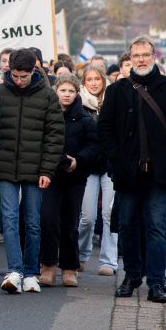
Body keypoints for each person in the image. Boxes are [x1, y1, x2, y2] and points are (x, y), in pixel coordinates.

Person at [97, 36, 166, 304]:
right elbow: (104, 127)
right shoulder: (117, 90)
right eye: (136, 55)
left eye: (145, 55)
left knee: (155, 227)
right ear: (130, 58)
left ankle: (156, 281)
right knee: (127, 226)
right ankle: (131, 276)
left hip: (159, 173)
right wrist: (115, 157)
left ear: (154, 57)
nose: (141, 59)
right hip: (127, 171)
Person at [0, 48, 64, 294]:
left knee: (32, 222)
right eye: (14, 76)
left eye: (23, 77)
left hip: (35, 168)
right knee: (9, 220)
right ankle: (14, 271)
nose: (18, 81)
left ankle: (30, 273)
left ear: (32, 71)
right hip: (5, 166)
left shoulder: (48, 95)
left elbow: (54, 136)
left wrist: (47, 170)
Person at [38, 73, 101, 287]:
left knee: (70, 222)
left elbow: (94, 147)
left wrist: (78, 160)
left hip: (75, 177)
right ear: (55, 91)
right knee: (48, 219)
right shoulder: (46, 115)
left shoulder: (85, 119)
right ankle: (47, 265)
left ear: (77, 93)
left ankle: (69, 269)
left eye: (71, 91)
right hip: (49, 175)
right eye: (63, 90)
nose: (67, 94)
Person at [77, 64, 117, 276]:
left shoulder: (113, 101)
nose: (93, 83)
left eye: (97, 79)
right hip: (88, 166)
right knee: (88, 216)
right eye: (89, 79)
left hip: (110, 165)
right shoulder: (79, 103)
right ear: (83, 82)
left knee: (109, 213)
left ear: (103, 80)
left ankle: (109, 261)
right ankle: (80, 255)